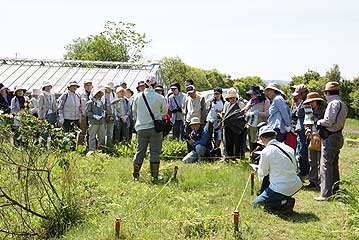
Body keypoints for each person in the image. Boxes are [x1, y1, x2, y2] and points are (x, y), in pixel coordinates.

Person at [252, 125, 302, 214]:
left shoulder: (266, 151)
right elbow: (295, 168)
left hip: (280, 187)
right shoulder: (288, 147)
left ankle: (284, 202)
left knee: (256, 204)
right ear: (274, 136)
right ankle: (284, 200)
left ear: (262, 138)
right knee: (269, 198)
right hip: (295, 184)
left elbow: (263, 172)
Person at [315, 82, 348, 201]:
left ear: (327, 92)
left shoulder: (333, 104)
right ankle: (335, 190)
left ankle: (326, 194)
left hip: (331, 136)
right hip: (338, 135)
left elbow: (329, 121)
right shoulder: (343, 104)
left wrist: (319, 122)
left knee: (325, 165)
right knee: (334, 164)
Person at [132, 74, 167, 181]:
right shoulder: (160, 97)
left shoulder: (137, 96)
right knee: (155, 152)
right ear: (155, 84)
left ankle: (136, 175)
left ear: (145, 84)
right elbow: (164, 112)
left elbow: (134, 109)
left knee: (140, 151)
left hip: (141, 128)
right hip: (155, 129)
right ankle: (154, 176)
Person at [303, 92, 326, 190]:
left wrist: (319, 135)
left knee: (320, 161)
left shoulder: (323, 110)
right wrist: (307, 129)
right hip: (311, 137)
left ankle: (322, 183)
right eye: (309, 102)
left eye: (312, 101)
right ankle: (313, 181)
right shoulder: (308, 110)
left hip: (321, 138)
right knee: (311, 160)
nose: (311, 103)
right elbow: (307, 123)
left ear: (317, 101)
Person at [242, 85, 270, 152]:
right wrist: (243, 112)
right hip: (251, 125)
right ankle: (252, 156)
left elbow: (267, 114)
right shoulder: (251, 101)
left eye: (253, 94)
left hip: (261, 125)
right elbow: (246, 108)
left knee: (261, 142)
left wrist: (257, 113)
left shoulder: (265, 101)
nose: (251, 96)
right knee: (252, 141)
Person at [222, 88, 246, 161]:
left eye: (233, 97)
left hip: (237, 127)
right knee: (228, 143)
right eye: (230, 98)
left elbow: (244, 115)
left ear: (236, 97)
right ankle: (229, 158)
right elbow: (224, 114)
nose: (232, 99)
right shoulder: (226, 104)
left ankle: (237, 158)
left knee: (237, 143)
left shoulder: (240, 104)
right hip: (228, 127)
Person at [292, 84, 310, 180]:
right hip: (299, 130)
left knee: (303, 152)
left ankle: (304, 173)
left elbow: (309, 117)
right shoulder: (303, 101)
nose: (297, 96)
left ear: (304, 93)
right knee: (299, 151)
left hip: (303, 130)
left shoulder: (307, 102)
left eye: (299, 94)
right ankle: (302, 172)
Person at [183, 85, 206, 151]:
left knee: (198, 138)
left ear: (195, 91)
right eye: (189, 93)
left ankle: (198, 152)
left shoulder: (201, 98)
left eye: (191, 93)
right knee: (188, 138)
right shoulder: (187, 99)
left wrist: (201, 123)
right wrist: (185, 122)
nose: (190, 94)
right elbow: (186, 111)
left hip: (198, 122)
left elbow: (203, 111)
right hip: (189, 121)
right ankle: (190, 152)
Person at [78, 80, 93, 146]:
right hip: (84, 116)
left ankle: (89, 146)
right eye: (87, 85)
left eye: (89, 85)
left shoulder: (94, 94)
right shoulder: (81, 94)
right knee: (82, 132)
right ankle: (80, 147)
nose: (88, 86)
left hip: (91, 116)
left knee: (91, 132)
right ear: (84, 86)